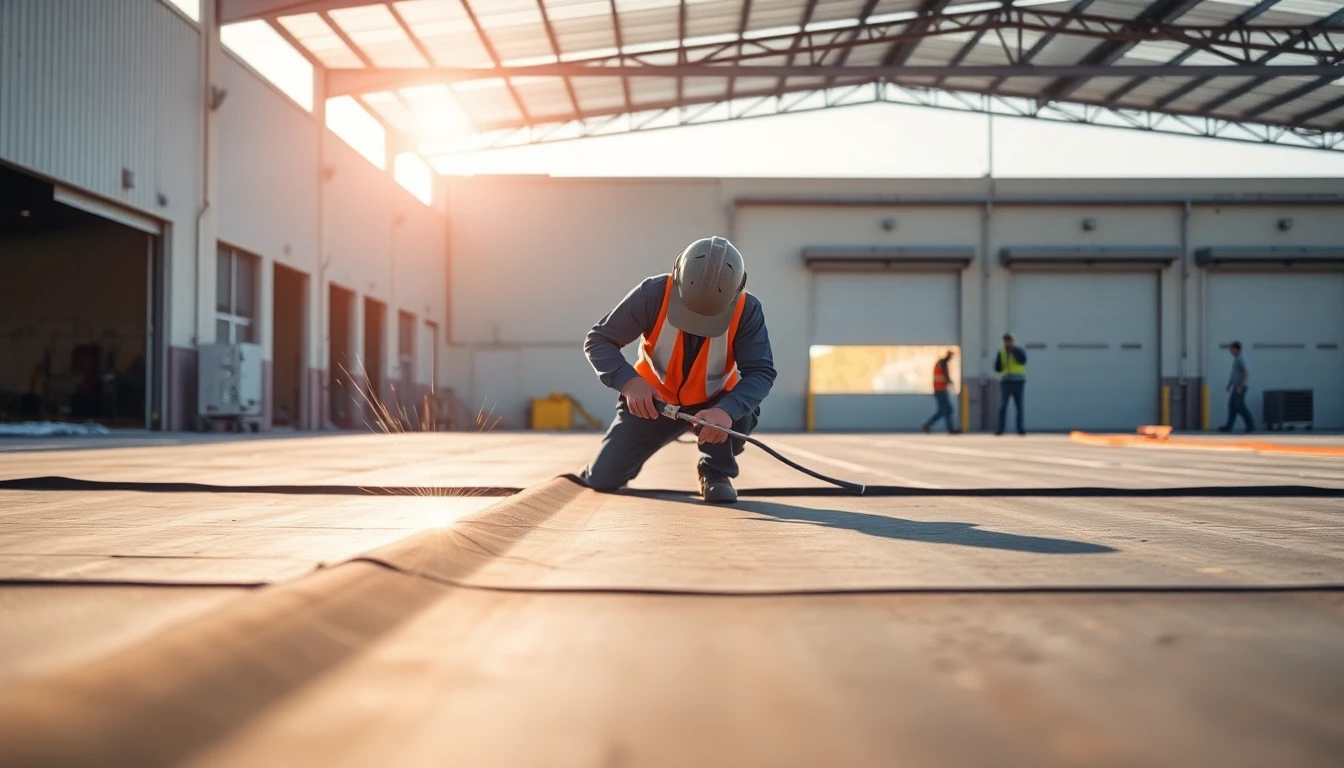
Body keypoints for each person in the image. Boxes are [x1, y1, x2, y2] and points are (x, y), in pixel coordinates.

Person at [580, 236, 777, 503]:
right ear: (677, 278)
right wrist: (629, 382)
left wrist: (727, 410)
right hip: (653, 403)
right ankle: (606, 467)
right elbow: (599, 340)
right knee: (602, 479)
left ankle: (716, 471)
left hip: (714, 407)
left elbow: (760, 372)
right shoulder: (652, 294)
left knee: (742, 409)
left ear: (737, 291)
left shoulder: (747, 310)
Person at [1218, 341, 1255, 433]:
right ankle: (1228, 426)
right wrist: (1229, 384)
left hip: (1240, 387)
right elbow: (1234, 374)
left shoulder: (1241, 358)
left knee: (1240, 407)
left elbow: (1245, 373)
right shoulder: (1237, 359)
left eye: (1231, 349)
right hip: (1236, 386)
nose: (1230, 351)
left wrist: (1240, 386)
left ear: (1236, 349)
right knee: (1232, 407)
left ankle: (1250, 425)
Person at [995, 332, 1027, 436]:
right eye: (1006, 341)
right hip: (1006, 382)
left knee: (1019, 406)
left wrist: (1013, 351)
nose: (1007, 343)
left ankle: (1020, 428)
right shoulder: (1001, 353)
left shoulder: (1019, 351)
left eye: (1009, 341)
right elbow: (997, 368)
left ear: (1013, 341)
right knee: (1003, 406)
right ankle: (1000, 429)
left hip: (1018, 381)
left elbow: (1023, 361)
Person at [922, 349, 959, 434]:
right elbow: (945, 375)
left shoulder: (941, 363)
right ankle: (928, 424)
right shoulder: (942, 363)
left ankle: (949, 428)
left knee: (947, 409)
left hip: (941, 389)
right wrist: (949, 381)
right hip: (940, 390)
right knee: (944, 410)